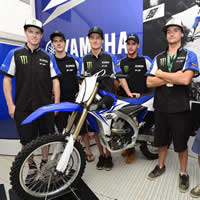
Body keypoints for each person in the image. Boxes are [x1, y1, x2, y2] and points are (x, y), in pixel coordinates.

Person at [0, 18, 61, 182]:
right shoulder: (15, 54)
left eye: (37, 33)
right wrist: (10, 105)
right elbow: (6, 80)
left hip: (45, 107)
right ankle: (32, 167)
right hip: (23, 108)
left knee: (46, 138)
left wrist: (56, 104)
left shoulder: (48, 57)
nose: (34, 36)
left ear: (41, 35)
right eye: (31, 32)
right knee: (26, 141)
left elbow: (55, 81)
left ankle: (44, 163)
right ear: (26, 33)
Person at [146, 17, 199, 193]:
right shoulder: (158, 57)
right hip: (160, 107)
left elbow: (185, 79)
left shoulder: (189, 55)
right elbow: (149, 83)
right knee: (161, 141)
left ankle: (183, 173)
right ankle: (160, 166)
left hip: (180, 109)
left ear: (182, 33)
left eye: (175, 30)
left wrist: (160, 74)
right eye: (169, 31)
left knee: (181, 144)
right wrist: (171, 76)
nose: (171, 34)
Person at [79, 26, 121, 170]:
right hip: (92, 100)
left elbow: (118, 78)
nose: (95, 41)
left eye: (98, 38)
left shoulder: (110, 57)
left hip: (108, 99)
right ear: (89, 40)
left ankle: (109, 157)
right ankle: (101, 155)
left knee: (107, 129)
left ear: (102, 41)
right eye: (92, 38)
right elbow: (81, 80)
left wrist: (124, 92)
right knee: (96, 130)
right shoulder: (84, 59)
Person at [50, 30, 95, 162]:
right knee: (62, 131)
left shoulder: (75, 59)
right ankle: (65, 155)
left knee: (82, 129)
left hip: (76, 102)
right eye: (55, 41)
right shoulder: (50, 60)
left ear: (65, 43)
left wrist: (81, 92)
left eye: (61, 41)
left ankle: (87, 150)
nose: (58, 44)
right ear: (52, 44)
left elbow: (82, 79)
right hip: (60, 103)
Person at [119, 33, 152, 163]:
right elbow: (120, 79)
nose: (131, 46)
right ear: (126, 45)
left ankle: (131, 150)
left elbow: (153, 77)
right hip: (125, 98)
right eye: (129, 44)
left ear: (137, 45)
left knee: (136, 125)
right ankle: (128, 147)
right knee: (124, 125)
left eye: (133, 44)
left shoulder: (145, 60)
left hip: (141, 99)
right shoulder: (121, 62)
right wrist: (128, 93)